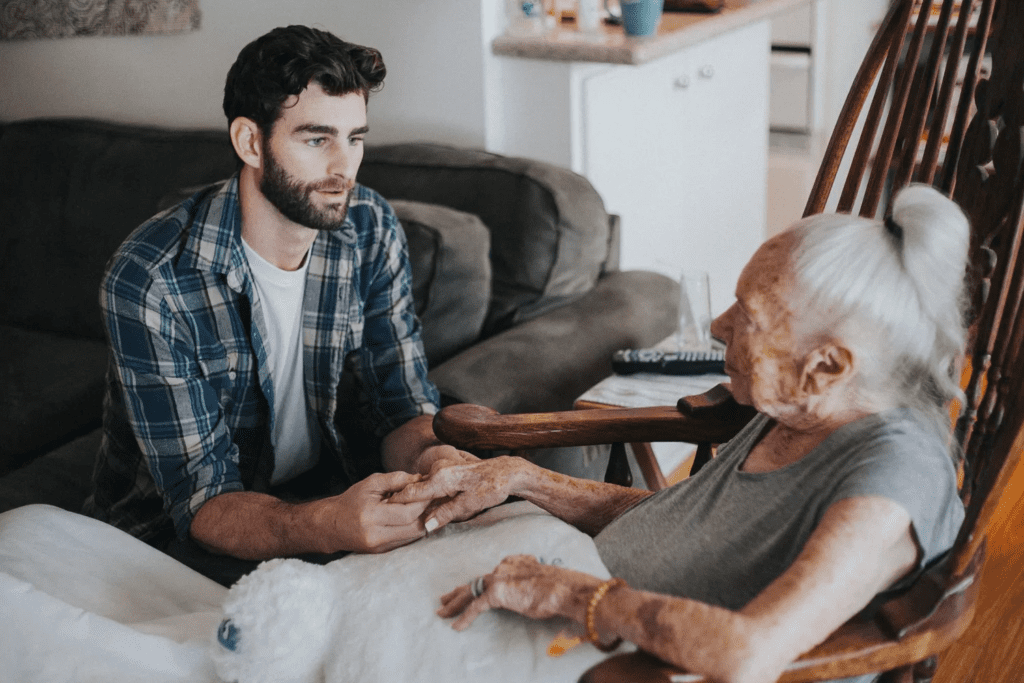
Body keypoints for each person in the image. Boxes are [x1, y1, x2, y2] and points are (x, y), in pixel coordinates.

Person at [393, 183, 969, 683]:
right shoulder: (801, 405)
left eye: (747, 316)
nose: (719, 327)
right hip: (599, 637)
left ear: (828, 366)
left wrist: (570, 595)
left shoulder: (893, 478)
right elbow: (681, 528)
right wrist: (525, 479)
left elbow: (749, 652)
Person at [83, 25, 474, 587]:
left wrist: (431, 459)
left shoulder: (369, 226)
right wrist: (328, 524)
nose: (345, 167)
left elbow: (399, 400)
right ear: (249, 143)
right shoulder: (152, 277)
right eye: (317, 140)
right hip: (170, 538)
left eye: (355, 138)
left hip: (323, 490)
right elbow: (202, 500)